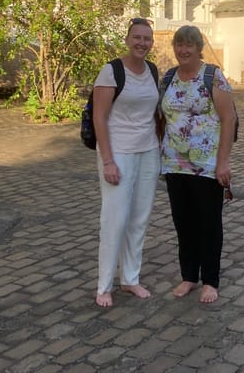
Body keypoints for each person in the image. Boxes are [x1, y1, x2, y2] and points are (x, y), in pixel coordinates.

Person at [160, 25, 235, 304]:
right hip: (174, 164)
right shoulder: (169, 77)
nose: (183, 50)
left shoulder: (212, 76)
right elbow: (162, 118)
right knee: (183, 222)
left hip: (206, 165)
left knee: (208, 223)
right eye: (179, 44)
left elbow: (228, 119)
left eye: (189, 45)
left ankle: (210, 281)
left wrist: (223, 162)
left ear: (198, 47)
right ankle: (189, 276)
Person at [92, 17, 161, 308]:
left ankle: (130, 278)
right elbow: (99, 116)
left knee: (139, 219)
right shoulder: (111, 71)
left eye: (147, 38)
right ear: (127, 39)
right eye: (137, 37)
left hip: (148, 152)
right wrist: (108, 161)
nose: (142, 43)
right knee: (115, 219)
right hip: (118, 152)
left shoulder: (153, 71)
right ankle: (103, 285)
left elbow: (155, 114)